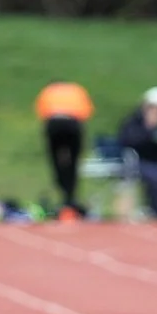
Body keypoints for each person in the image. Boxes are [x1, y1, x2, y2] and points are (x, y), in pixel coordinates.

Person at [116, 86, 157, 221]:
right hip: (138, 161)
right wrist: (149, 132)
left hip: (156, 161)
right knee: (154, 178)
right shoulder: (133, 122)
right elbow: (128, 141)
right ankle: (156, 210)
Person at [35, 80, 93, 217]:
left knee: (56, 161)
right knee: (73, 162)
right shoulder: (77, 89)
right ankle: (70, 195)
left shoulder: (49, 90)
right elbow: (87, 111)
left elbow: (41, 111)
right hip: (73, 123)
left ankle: (64, 191)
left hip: (54, 123)